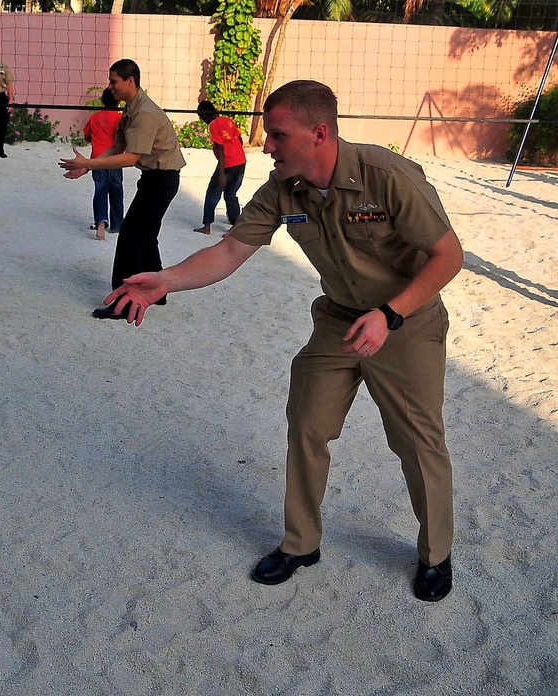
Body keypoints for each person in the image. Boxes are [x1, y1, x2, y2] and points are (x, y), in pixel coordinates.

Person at [103, 80, 463, 602]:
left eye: (277, 134)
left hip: (406, 322)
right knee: (307, 425)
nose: (266, 145)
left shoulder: (386, 176)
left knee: (418, 441)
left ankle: (436, 555)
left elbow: (448, 257)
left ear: (319, 133)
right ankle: (301, 543)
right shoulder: (282, 189)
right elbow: (228, 253)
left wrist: (391, 314)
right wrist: (165, 279)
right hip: (339, 319)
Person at [59, 59, 186, 319]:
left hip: (162, 179)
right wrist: (87, 167)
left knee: (131, 236)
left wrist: (90, 162)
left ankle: (124, 301)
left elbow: (130, 157)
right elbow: (118, 147)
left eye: (114, 81)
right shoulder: (131, 108)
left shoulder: (145, 112)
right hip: (156, 178)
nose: (110, 86)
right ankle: (157, 292)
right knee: (146, 236)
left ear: (131, 81)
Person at [193, 99, 246, 236]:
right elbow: (240, 139)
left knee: (212, 193)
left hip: (227, 164)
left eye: (201, 117)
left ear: (204, 115)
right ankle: (235, 223)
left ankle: (207, 226)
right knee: (231, 193)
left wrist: (221, 173)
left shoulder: (213, 125)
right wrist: (237, 152)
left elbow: (220, 148)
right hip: (240, 161)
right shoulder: (227, 120)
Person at [82, 87, 124, 241]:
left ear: (102, 101)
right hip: (114, 159)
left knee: (100, 190)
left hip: (97, 160)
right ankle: (117, 224)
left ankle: (100, 222)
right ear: (118, 101)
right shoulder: (119, 118)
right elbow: (121, 139)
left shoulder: (94, 118)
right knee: (116, 191)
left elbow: (87, 136)